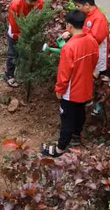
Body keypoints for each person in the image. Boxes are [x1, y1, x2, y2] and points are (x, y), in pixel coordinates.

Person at [42, 9, 100, 157]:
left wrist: (59, 90)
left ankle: (60, 149)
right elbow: (94, 62)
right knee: (80, 113)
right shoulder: (92, 41)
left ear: (69, 26)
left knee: (67, 118)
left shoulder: (69, 48)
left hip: (71, 91)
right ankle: (76, 136)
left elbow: (64, 73)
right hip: (86, 88)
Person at [62, 0, 109, 80]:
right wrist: (70, 32)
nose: (77, 8)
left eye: (78, 6)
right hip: (85, 52)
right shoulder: (85, 13)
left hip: (94, 56)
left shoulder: (99, 19)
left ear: (87, 5)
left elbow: (94, 41)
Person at [4, 0, 44, 88]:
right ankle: (9, 75)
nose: (33, 3)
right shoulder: (15, 5)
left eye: (35, 1)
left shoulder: (38, 2)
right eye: (30, 1)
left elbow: (39, 17)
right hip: (16, 33)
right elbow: (14, 25)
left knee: (26, 54)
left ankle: (25, 72)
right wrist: (24, 35)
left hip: (29, 33)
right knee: (13, 54)